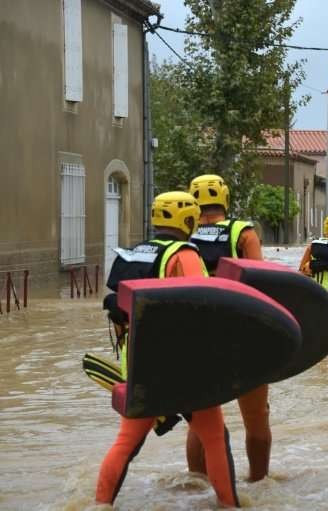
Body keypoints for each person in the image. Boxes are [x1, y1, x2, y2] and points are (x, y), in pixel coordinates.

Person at [95, 191, 239, 508]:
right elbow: (204, 307)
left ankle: (100, 503)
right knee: (216, 439)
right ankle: (230, 505)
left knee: (126, 443)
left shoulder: (132, 255)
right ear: (187, 220)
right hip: (184, 367)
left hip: (141, 366)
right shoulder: (185, 254)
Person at [187, 174, 271, 483]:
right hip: (242, 336)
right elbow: (261, 283)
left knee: (201, 421)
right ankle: (259, 485)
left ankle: (196, 489)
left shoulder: (184, 238)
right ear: (224, 199)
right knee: (256, 419)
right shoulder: (243, 233)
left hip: (199, 340)